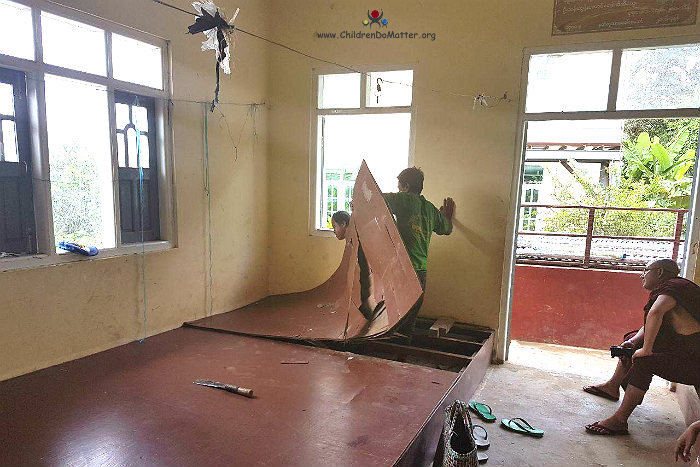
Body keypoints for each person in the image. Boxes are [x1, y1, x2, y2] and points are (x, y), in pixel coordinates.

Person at [584, 259, 700, 435]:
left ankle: (619, 421)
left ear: (659, 272)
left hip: (694, 362)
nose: (642, 275)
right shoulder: (675, 288)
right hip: (684, 352)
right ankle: (612, 387)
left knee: (646, 360)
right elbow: (651, 323)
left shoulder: (673, 288)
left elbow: (656, 312)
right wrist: (634, 342)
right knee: (632, 340)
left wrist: (646, 350)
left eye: (646, 270)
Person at [383, 167, 455, 337]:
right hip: (420, 272)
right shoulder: (430, 209)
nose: (398, 190)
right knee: (408, 323)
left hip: (402, 269)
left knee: (394, 316)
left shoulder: (403, 200)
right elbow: (447, 229)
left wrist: (357, 202)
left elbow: (375, 198)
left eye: (399, 187)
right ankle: (403, 357)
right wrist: (447, 217)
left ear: (406, 186)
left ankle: (389, 355)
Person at [330, 210, 379, 319]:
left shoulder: (356, 239)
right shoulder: (353, 238)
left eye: (334, 226)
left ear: (343, 224)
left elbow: (365, 270)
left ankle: (368, 310)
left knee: (364, 277)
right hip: (367, 283)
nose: (334, 231)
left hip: (369, 280)